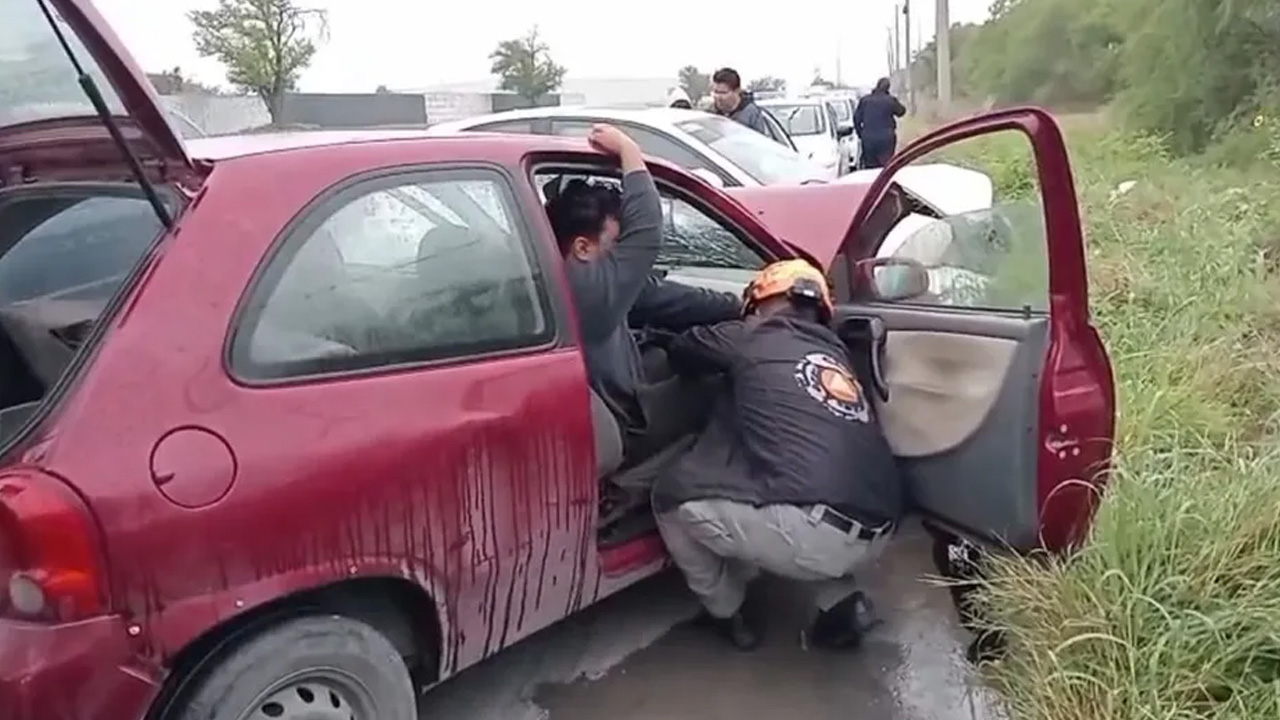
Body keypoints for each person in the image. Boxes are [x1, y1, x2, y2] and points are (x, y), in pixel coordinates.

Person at [651, 259, 904, 651]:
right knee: (805, 480)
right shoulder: (838, 352)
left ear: (761, 300)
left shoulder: (750, 336)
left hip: (813, 532)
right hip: (881, 530)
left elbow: (685, 349)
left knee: (669, 495)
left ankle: (725, 612)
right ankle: (841, 604)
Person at [545, 124, 741, 462]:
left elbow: (656, 296)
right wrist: (628, 150)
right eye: (616, 243)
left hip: (622, 391)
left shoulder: (574, 276)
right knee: (723, 384)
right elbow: (648, 227)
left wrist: (736, 304)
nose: (623, 254)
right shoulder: (585, 287)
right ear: (582, 247)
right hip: (628, 420)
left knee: (665, 356)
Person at [854, 77, 907, 169]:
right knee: (886, 166)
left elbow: (856, 119)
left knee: (870, 166)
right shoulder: (890, 100)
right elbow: (901, 112)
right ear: (888, 88)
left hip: (869, 138)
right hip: (886, 138)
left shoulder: (865, 101)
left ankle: (872, 182)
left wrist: (861, 134)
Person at [710, 68, 770, 136]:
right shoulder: (710, 114)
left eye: (723, 93)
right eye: (716, 92)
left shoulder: (752, 114)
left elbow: (760, 141)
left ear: (737, 91)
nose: (718, 97)